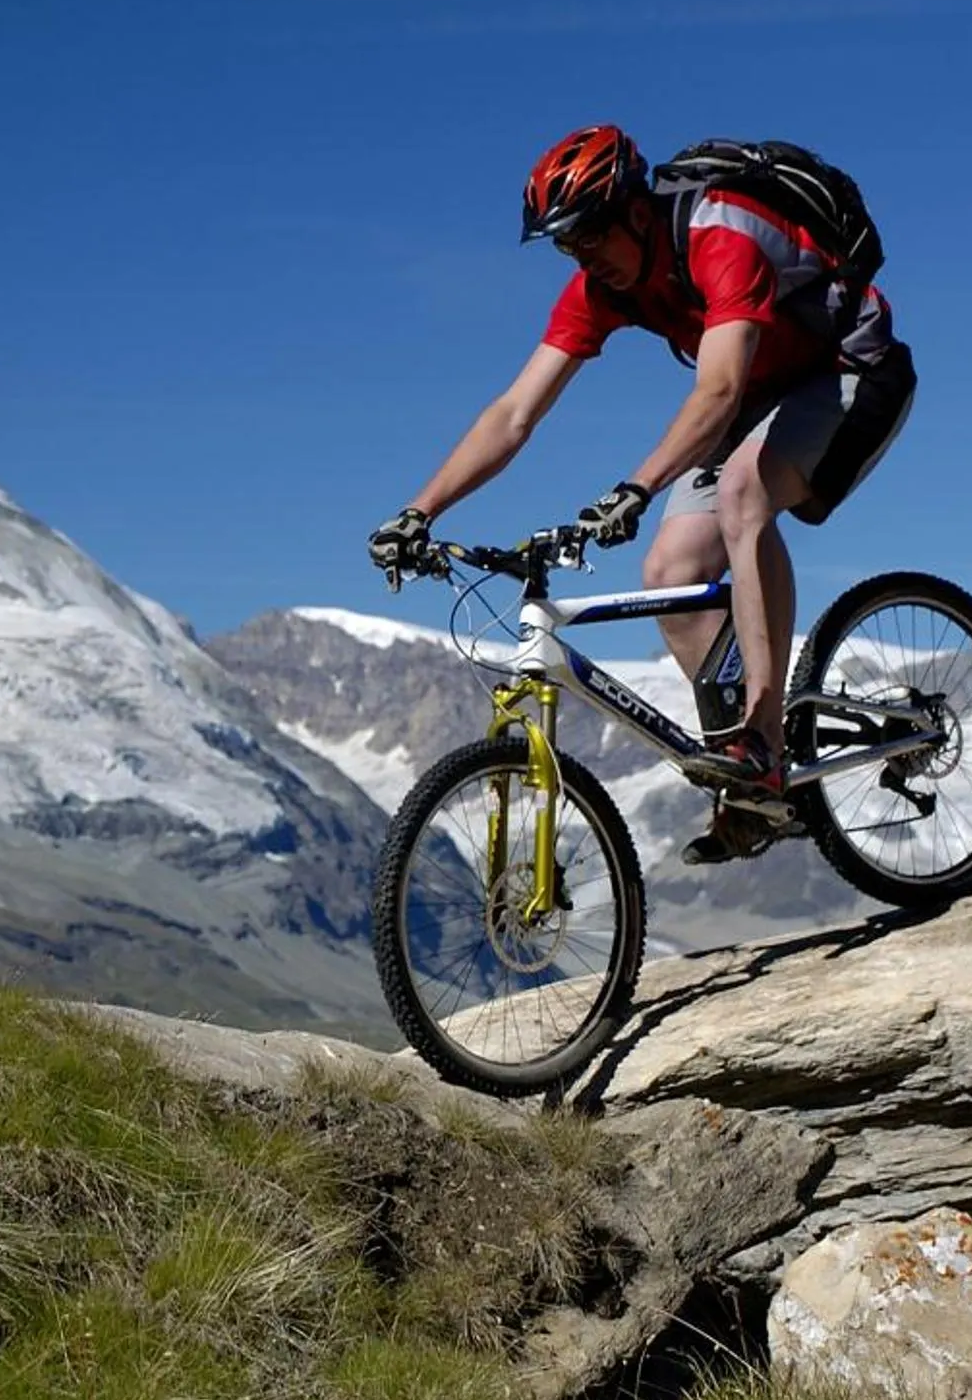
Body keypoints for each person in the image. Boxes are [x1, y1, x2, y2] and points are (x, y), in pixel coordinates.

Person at [367, 124, 916, 862]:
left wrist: (636, 486)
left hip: (851, 370)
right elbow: (514, 411)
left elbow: (717, 388)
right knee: (669, 574)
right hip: (757, 394)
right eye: (566, 245)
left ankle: (765, 732)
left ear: (634, 210)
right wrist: (419, 510)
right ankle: (754, 788)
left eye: (589, 233)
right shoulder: (599, 285)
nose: (582, 255)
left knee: (743, 494)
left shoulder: (720, 237)